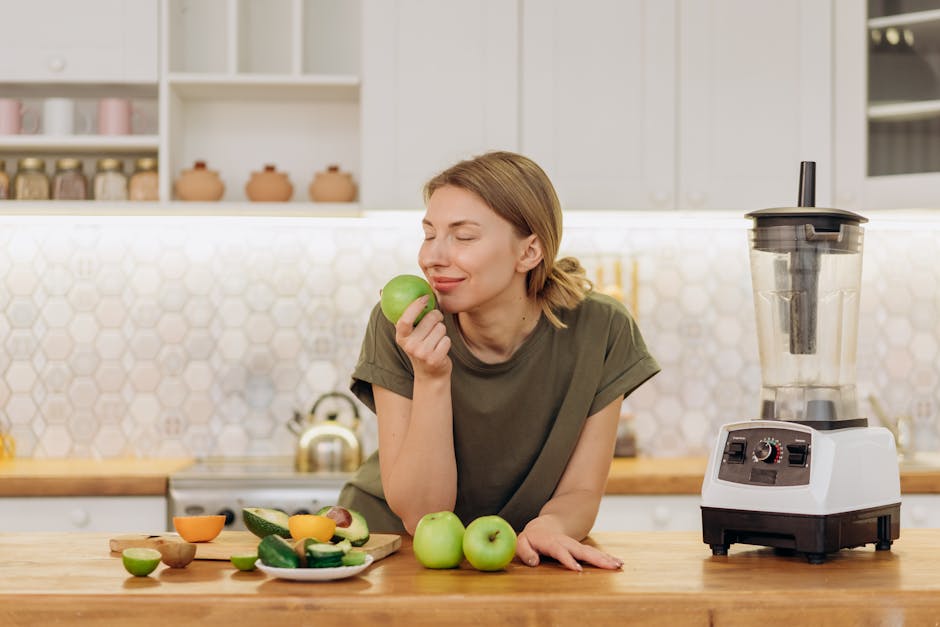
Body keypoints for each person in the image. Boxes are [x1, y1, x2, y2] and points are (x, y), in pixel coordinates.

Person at [338, 151, 659, 571]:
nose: (432, 257)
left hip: (517, 553)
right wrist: (431, 377)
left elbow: (581, 491)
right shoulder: (403, 322)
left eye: (464, 236)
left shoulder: (601, 329)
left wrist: (552, 526)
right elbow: (422, 514)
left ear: (529, 253)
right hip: (392, 547)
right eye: (429, 233)